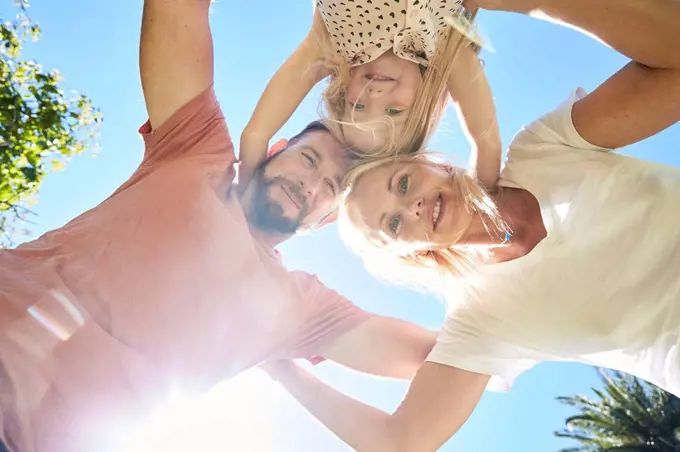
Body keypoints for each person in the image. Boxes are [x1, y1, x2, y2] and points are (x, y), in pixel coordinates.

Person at [0, 1, 437, 451]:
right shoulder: (197, 151)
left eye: (330, 188)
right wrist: (317, 49)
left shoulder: (299, 306)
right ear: (277, 147)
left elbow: (435, 356)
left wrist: (496, 232)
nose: (310, 185)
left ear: (327, 218)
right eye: (308, 159)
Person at [262, 0, 680, 450]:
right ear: (414, 253)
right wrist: (276, 363)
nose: (415, 205)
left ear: (434, 165)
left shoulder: (544, 148)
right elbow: (401, 441)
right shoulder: (481, 320)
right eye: (396, 225)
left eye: (403, 183)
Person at [239, 0, 503, 191]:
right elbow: (487, 145)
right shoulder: (443, 46)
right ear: (423, 107)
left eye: (359, 105)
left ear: (342, 90)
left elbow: (255, 134)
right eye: (393, 111)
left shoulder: (329, 45)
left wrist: (242, 199)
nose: (375, 95)